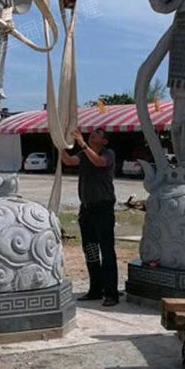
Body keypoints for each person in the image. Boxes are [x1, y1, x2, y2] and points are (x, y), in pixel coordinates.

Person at [60, 128, 119, 307]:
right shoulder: (84, 154)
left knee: (106, 251)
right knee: (91, 250)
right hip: (87, 209)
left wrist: (83, 144)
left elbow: (99, 162)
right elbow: (69, 161)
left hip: (103, 209)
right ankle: (96, 289)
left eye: (98, 134)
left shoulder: (108, 154)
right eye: (93, 133)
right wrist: (60, 145)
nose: (93, 134)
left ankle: (111, 293)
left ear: (104, 141)